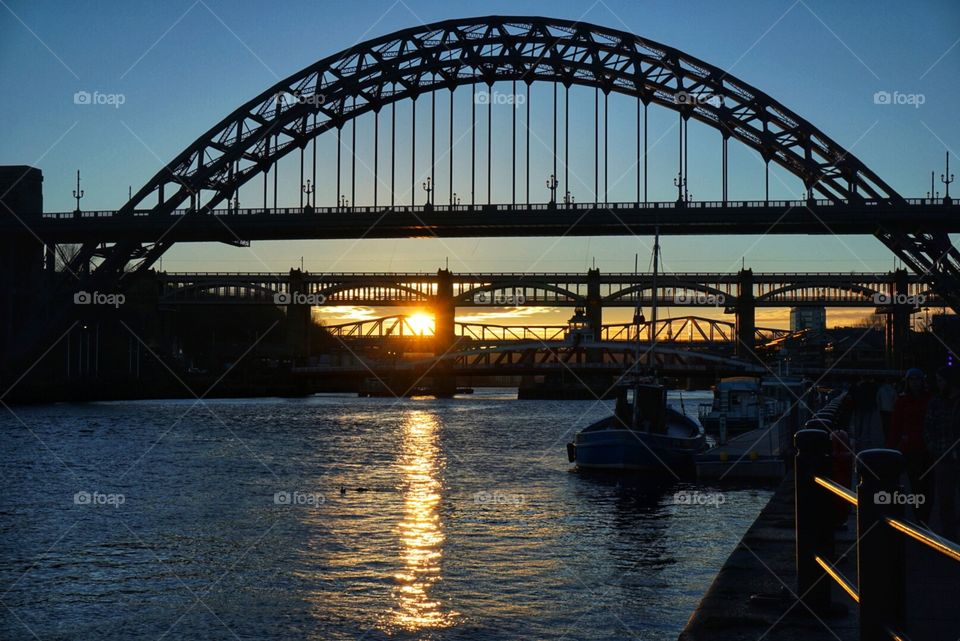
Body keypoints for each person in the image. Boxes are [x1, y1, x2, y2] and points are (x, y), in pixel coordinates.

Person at [887, 368, 933, 523]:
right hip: (910, 448)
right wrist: (891, 448)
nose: (915, 383)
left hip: (929, 447)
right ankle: (919, 516)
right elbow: (896, 426)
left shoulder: (929, 399)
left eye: (917, 379)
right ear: (907, 382)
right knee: (915, 483)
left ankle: (925, 514)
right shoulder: (902, 401)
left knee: (928, 484)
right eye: (912, 380)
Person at [923, 366, 960, 540]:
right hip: (943, 456)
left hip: (949, 455)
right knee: (945, 499)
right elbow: (928, 428)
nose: (938, 384)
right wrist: (934, 448)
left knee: (947, 498)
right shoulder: (935, 402)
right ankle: (950, 536)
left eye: (941, 381)